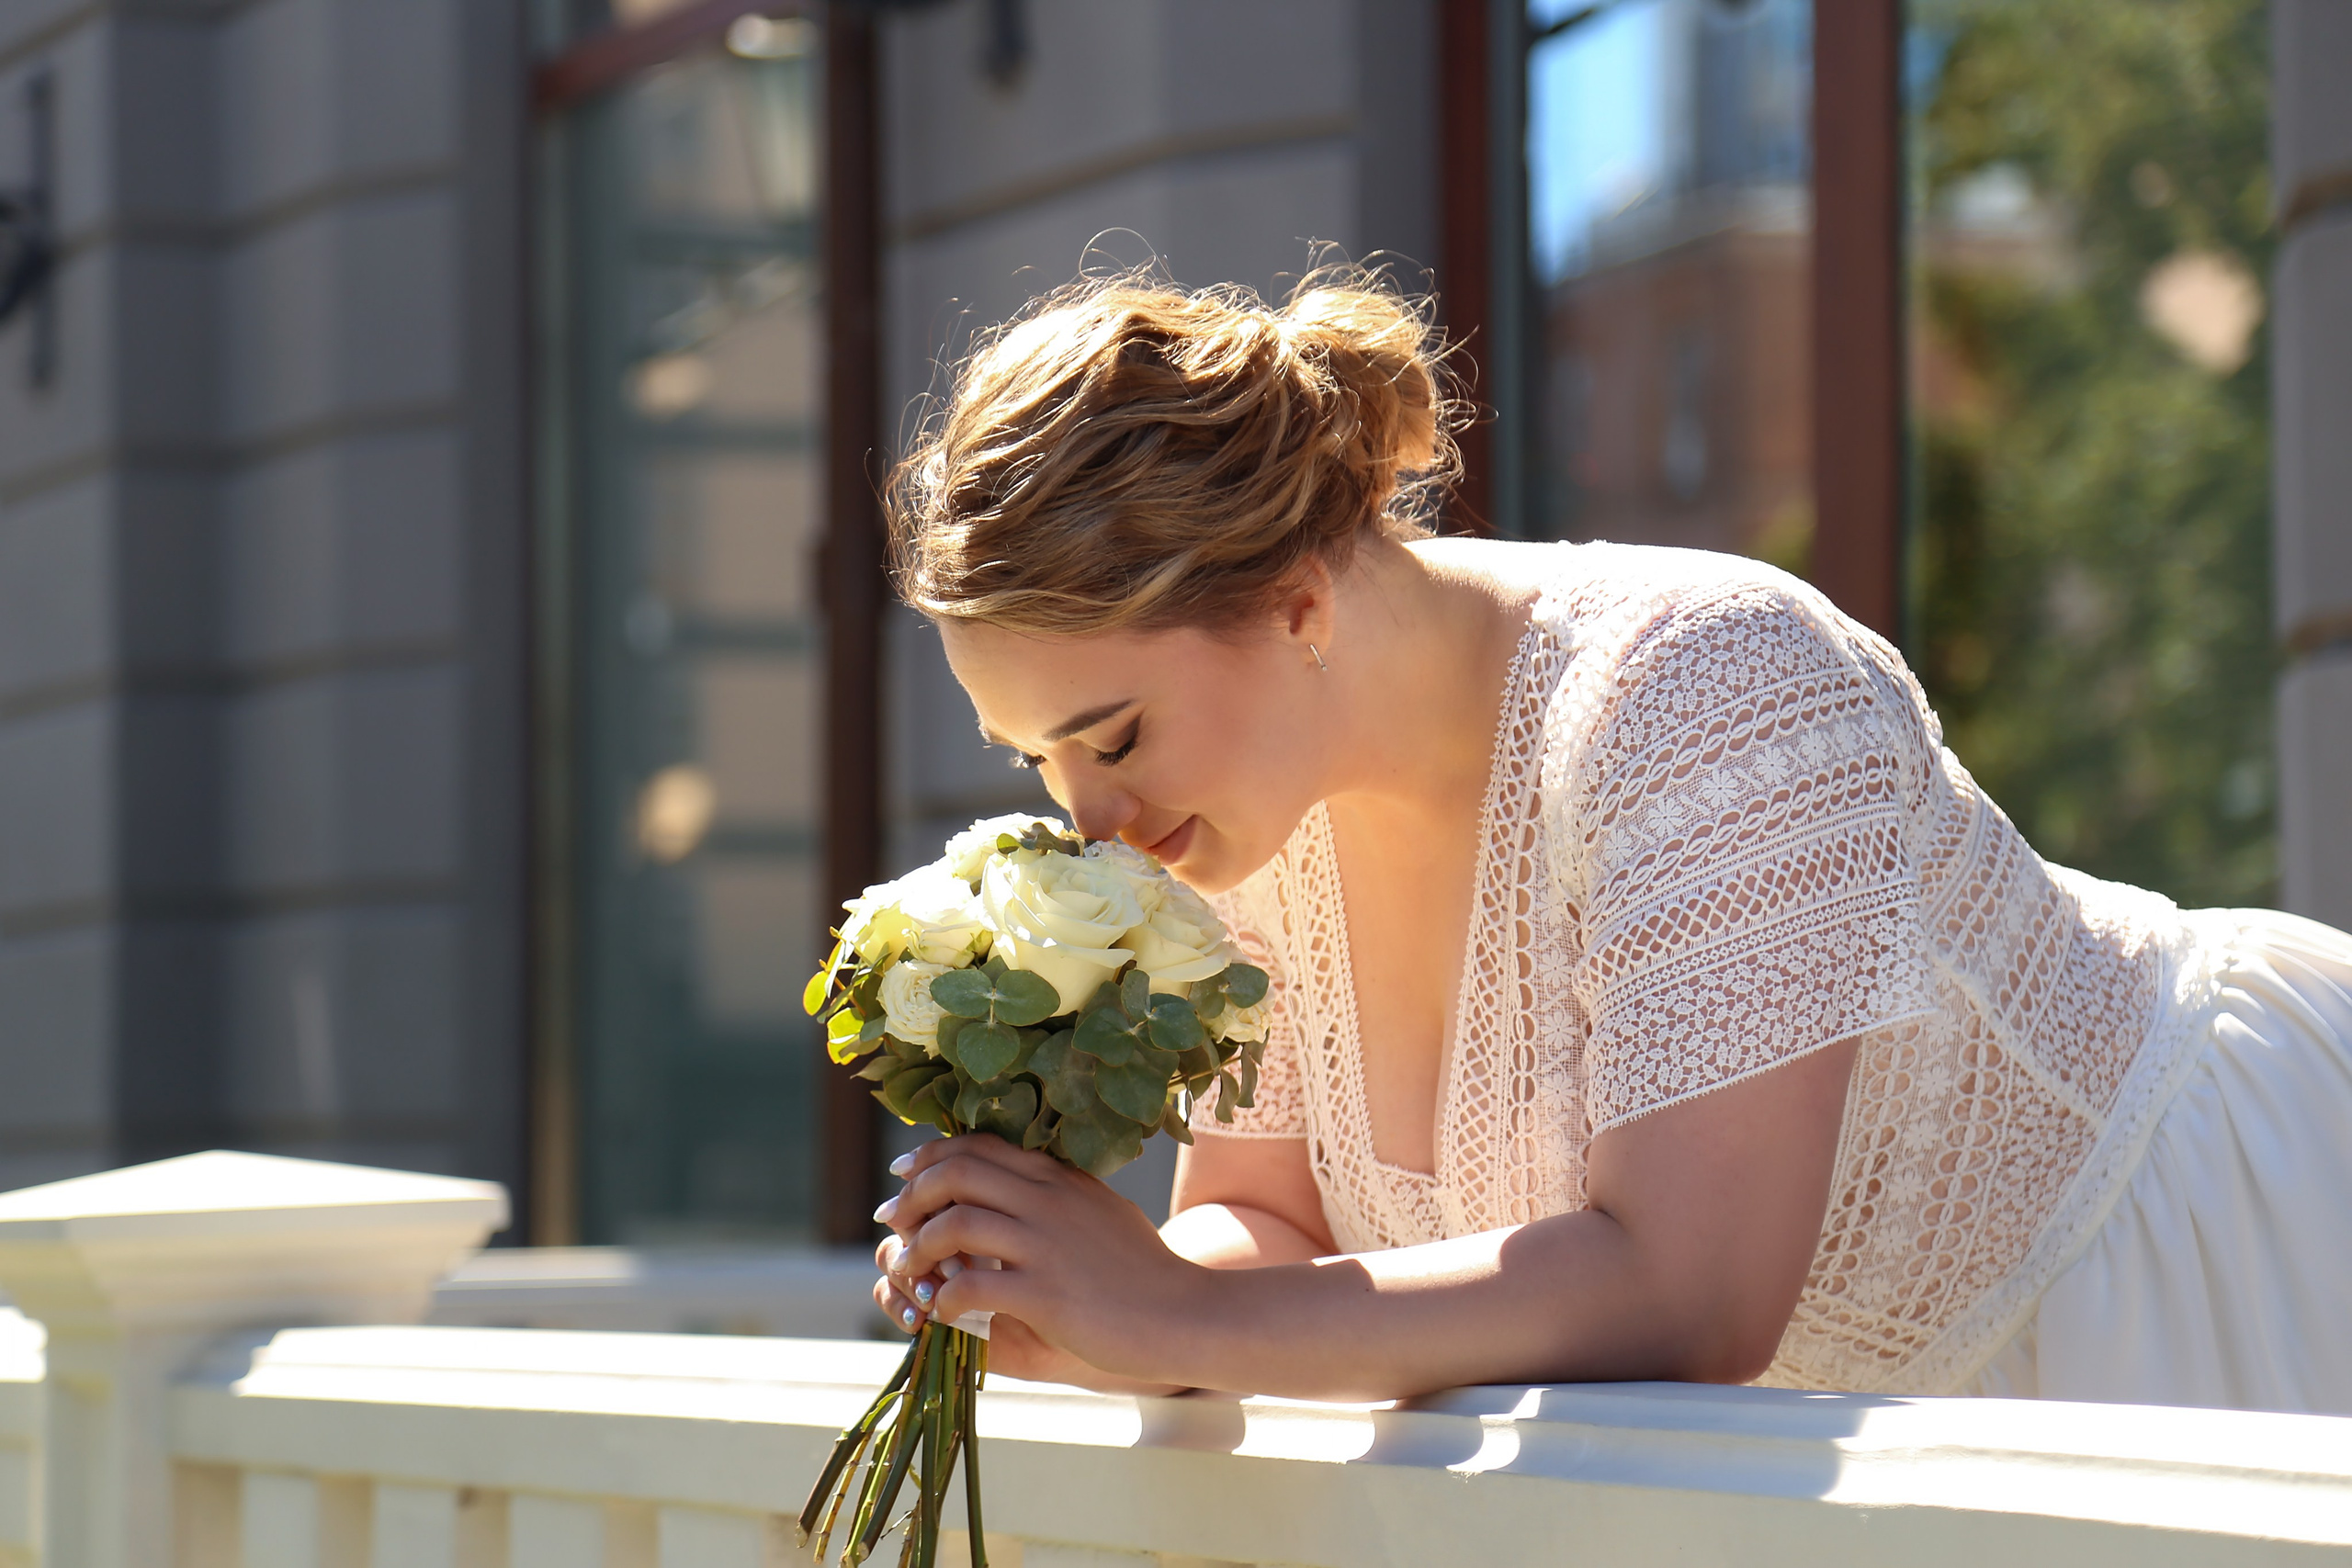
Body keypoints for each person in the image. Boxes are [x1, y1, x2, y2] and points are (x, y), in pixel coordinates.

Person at [868, 267, 2352, 1414]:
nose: (1092, 822)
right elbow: (1263, 1224)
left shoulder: (1708, 692)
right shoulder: (1249, 819)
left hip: (2179, 1286)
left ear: (1297, 603)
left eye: (1113, 736)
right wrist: (1080, 1315)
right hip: (1803, 1465)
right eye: (1040, 757)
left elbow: (1693, 1297)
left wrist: (1181, 1322)